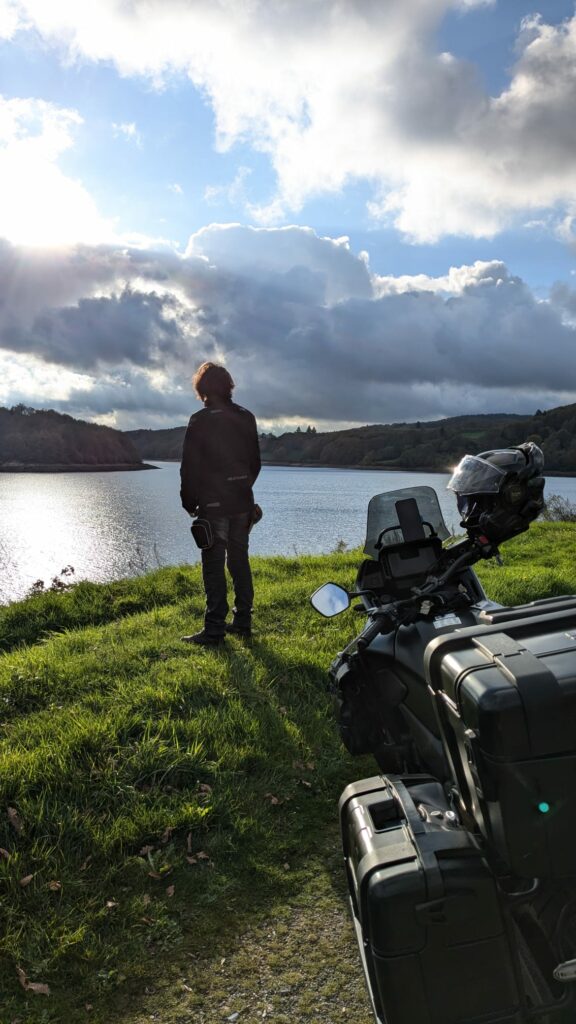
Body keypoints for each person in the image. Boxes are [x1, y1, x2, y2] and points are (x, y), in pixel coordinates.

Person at [179, 362, 261, 646]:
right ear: (229, 387)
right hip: (242, 503)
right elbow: (255, 463)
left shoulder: (200, 420)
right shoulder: (246, 417)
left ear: (202, 389)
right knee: (239, 562)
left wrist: (189, 501)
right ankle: (242, 623)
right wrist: (244, 491)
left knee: (213, 566)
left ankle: (214, 629)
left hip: (213, 505)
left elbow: (190, 466)